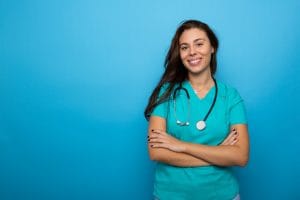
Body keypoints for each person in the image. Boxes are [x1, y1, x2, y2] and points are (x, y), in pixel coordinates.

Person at [144, 19, 249, 200]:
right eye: (184, 47)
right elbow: (156, 152)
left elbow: (240, 156)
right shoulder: (165, 94)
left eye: (199, 44)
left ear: (212, 47)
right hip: (171, 195)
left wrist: (180, 146)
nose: (192, 52)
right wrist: (218, 153)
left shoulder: (230, 96)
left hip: (222, 195)